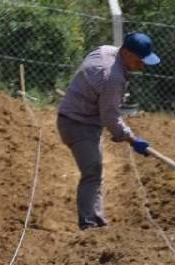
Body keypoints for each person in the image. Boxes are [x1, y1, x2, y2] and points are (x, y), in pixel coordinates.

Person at [57, 32, 160, 230]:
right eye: (140, 60)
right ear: (128, 54)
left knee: (95, 170)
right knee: (92, 171)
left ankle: (97, 220)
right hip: (77, 123)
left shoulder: (106, 50)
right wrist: (132, 139)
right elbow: (110, 117)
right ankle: (89, 225)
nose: (143, 65)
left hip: (82, 118)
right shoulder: (113, 78)